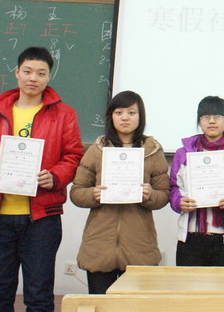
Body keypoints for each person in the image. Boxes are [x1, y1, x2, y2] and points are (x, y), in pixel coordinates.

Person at [0, 46, 83, 312]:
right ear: (17, 72)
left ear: (48, 77)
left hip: (42, 218)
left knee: (39, 294)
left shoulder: (64, 114)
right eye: (28, 71)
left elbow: (73, 156)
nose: (33, 78)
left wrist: (55, 176)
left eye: (41, 73)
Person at [70, 91, 170, 294]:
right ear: (111, 116)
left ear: (140, 116)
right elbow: (76, 192)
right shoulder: (97, 150)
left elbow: (164, 195)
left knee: (132, 306)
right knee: (101, 304)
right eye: (119, 112)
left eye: (131, 113)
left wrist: (150, 195)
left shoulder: (152, 151)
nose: (125, 118)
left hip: (139, 247)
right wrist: (93, 194)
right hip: (99, 246)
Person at [169, 96, 224, 266]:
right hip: (191, 237)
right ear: (199, 121)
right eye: (206, 117)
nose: (212, 121)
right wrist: (179, 201)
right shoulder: (183, 154)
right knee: (189, 284)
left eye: (218, 116)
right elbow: (173, 188)